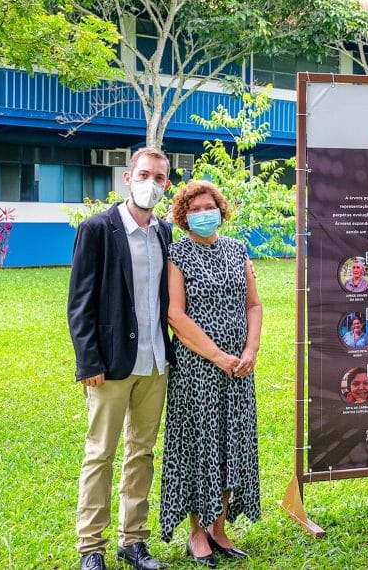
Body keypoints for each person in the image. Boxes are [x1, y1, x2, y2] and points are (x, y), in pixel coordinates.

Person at [68, 148, 173, 570]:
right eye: (144, 174)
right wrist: (88, 361)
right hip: (109, 365)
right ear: (127, 178)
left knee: (141, 454)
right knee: (100, 454)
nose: (152, 183)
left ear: (167, 184)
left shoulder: (165, 233)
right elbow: (80, 302)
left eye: (160, 178)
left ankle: (133, 542)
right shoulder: (97, 229)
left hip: (155, 362)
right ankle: (91, 547)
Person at [161, 180, 262, 565]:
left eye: (209, 207)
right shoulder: (178, 254)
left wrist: (250, 349)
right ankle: (197, 532)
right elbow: (175, 314)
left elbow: (254, 305)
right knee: (200, 446)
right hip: (198, 368)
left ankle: (219, 528)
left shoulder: (237, 250)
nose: (204, 213)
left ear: (221, 210)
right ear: (184, 217)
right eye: (195, 209)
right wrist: (219, 357)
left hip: (240, 368)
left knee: (230, 444)